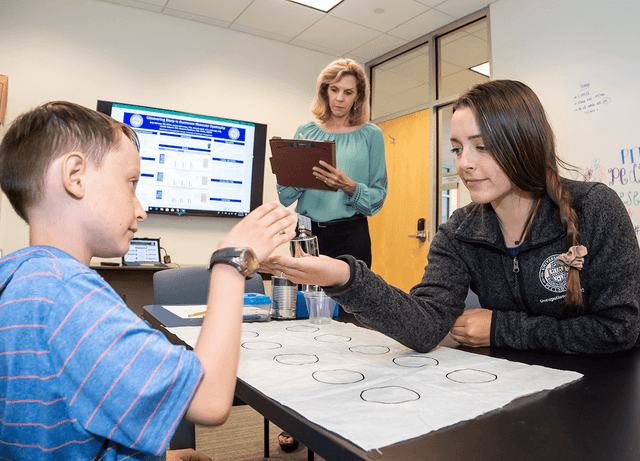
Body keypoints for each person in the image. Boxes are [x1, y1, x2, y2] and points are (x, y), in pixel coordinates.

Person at [0, 101, 296, 460]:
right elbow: (209, 400)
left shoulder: (19, 278)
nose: (140, 210)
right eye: (131, 183)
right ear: (75, 175)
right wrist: (231, 262)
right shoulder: (69, 296)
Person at [263, 79, 640, 355]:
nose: (464, 164)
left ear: (525, 143)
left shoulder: (594, 207)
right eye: (458, 149)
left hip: (599, 396)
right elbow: (425, 326)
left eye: (482, 147)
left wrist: (499, 328)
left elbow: (620, 328)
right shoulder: (460, 229)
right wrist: (345, 277)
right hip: (513, 392)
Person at [277, 58, 388, 269]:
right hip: (307, 234)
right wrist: (302, 178)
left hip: (351, 235)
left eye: (348, 92)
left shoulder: (371, 135)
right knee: (306, 300)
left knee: (352, 301)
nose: (339, 98)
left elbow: (378, 197)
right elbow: (285, 195)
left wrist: (350, 187)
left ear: (358, 97)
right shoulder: (306, 132)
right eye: (334, 89)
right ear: (324, 91)